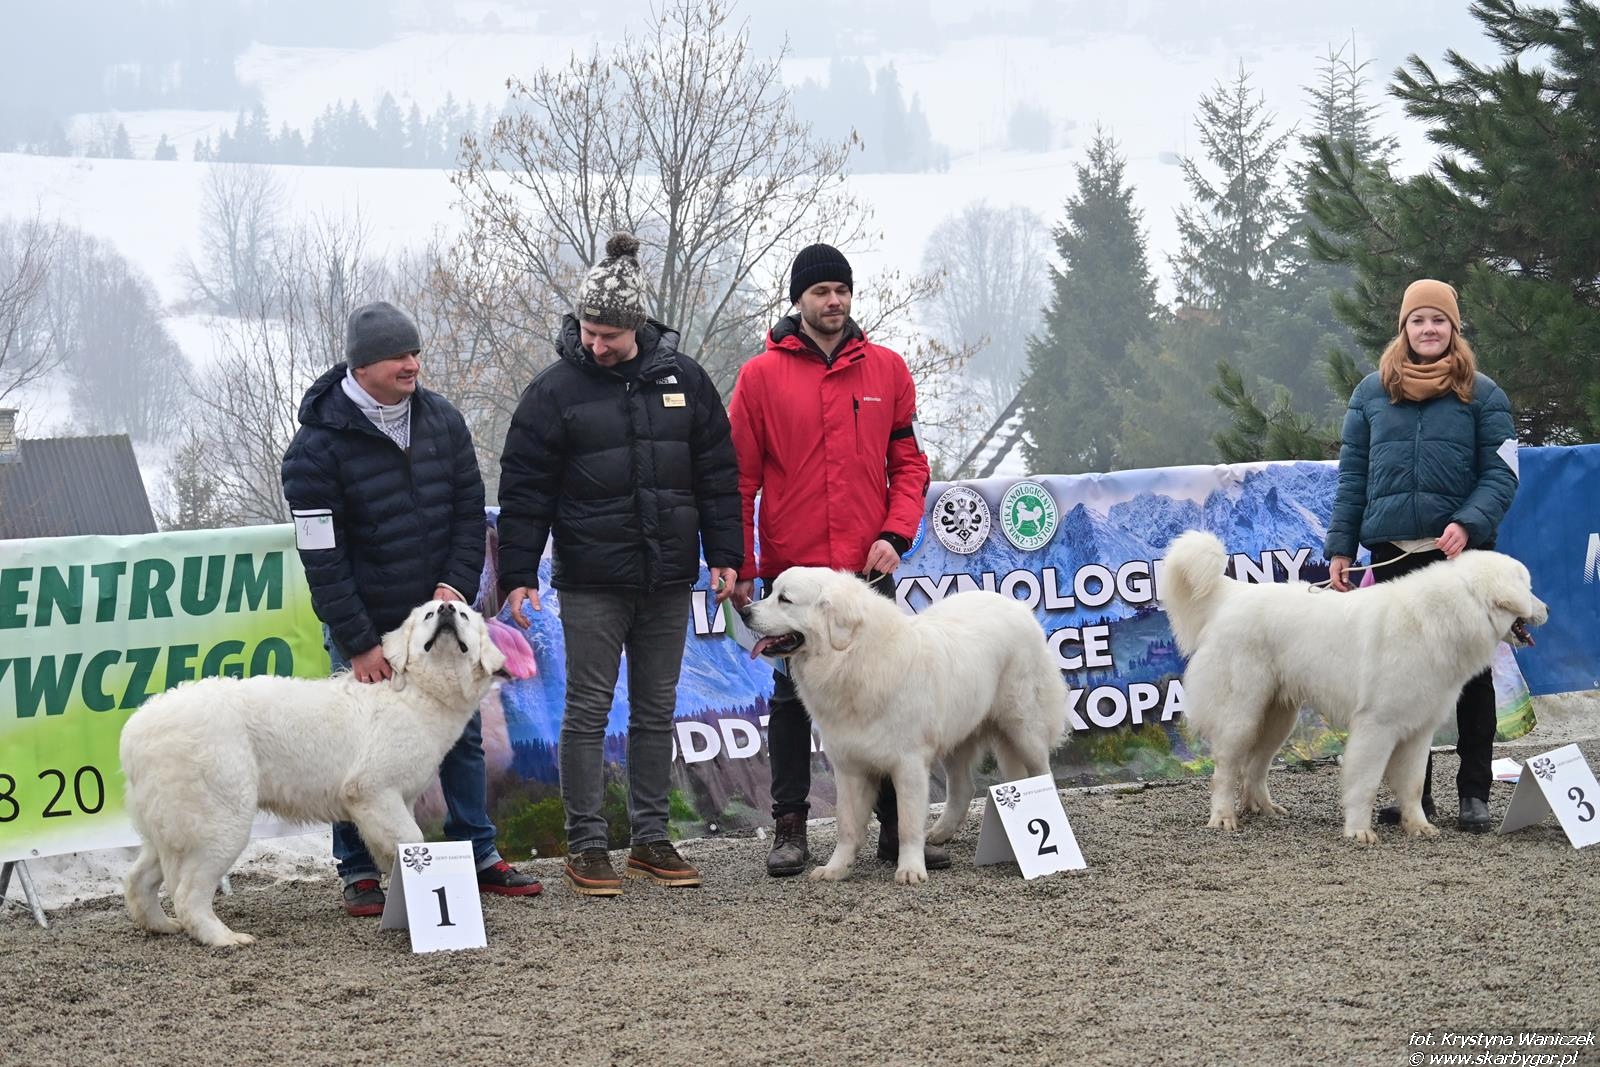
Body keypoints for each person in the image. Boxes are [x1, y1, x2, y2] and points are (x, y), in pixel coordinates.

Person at [498, 233, 742, 898]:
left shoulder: (685, 380)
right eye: (588, 330)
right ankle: (586, 844)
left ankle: (651, 839)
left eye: (608, 334)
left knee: (657, 709)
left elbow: (717, 474)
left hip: (668, 577)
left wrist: (726, 554)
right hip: (591, 581)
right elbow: (524, 489)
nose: (595, 344)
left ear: (636, 326)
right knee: (587, 710)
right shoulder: (553, 391)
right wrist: (517, 573)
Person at [282, 300, 543, 916]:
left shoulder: (443, 419)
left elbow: (468, 512)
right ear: (362, 365)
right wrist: (358, 642)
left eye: (415, 352)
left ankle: (478, 852)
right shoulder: (313, 449)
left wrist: (455, 584)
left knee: (465, 737)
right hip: (368, 627)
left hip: (443, 620)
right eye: (398, 356)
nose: (412, 365)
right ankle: (359, 871)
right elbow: (322, 558)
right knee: (352, 748)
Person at [727, 242, 943, 877]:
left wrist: (896, 534)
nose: (834, 301)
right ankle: (790, 825)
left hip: (866, 572)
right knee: (789, 699)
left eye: (842, 290)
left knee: (886, 695)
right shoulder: (759, 377)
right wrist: (742, 565)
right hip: (792, 571)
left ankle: (894, 830)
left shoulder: (888, 370)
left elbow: (910, 464)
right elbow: (739, 480)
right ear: (798, 299)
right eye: (821, 291)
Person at [1324, 279, 1518, 833]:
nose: (1428, 329)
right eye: (1418, 320)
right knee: (1401, 682)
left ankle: (1475, 795)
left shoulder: (1484, 395)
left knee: (1473, 681)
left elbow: (1502, 474)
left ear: (1454, 328)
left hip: (1462, 561)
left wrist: (1468, 522)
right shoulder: (1370, 394)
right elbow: (1353, 479)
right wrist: (1341, 546)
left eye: (1438, 320)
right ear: (1403, 327)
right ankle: (1415, 799)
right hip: (1392, 557)